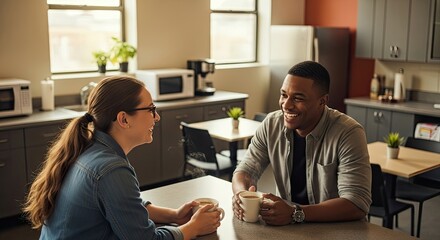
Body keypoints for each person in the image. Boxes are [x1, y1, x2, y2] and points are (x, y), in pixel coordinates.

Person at [24, 76, 221, 240]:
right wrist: (193, 228)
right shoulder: (111, 169)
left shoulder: (88, 148)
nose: (157, 117)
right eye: (151, 109)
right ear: (124, 119)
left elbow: (122, 207)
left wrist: (175, 215)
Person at [232, 61, 371, 225]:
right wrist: (241, 195)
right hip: (288, 229)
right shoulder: (271, 125)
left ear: (322, 101)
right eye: (284, 95)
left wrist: (295, 213)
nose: (287, 105)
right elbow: (246, 170)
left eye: (298, 98)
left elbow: (356, 203)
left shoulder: (348, 133)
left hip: (336, 230)